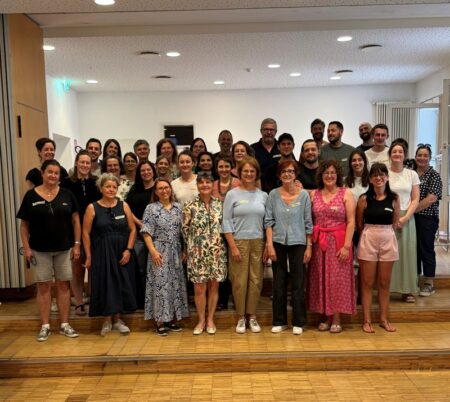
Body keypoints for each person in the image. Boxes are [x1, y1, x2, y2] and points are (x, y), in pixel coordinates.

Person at [17, 159, 81, 341]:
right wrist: (26, 248)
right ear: (42, 173)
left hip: (64, 249)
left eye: (56, 173)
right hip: (39, 250)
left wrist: (77, 244)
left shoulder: (67, 194)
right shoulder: (30, 196)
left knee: (63, 285)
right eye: (50, 172)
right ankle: (45, 326)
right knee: (43, 286)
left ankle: (64, 324)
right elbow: (24, 225)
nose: (53, 175)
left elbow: (76, 220)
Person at [82, 173, 137, 336]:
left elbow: (133, 229)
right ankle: (106, 321)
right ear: (101, 188)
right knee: (105, 284)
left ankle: (118, 320)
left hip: (121, 251)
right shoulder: (92, 207)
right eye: (108, 186)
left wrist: (128, 250)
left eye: (114, 186)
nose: (111, 189)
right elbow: (85, 233)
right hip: (102, 252)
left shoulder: (124, 205)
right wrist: (89, 256)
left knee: (120, 283)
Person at [307, 160, 356, 333]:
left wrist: (346, 246)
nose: (329, 176)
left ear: (338, 175)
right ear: (321, 175)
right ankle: (325, 316)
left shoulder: (346, 193)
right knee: (320, 279)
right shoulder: (313, 194)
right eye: (326, 173)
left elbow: (351, 222)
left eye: (332, 173)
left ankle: (336, 318)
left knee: (336, 281)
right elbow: (309, 220)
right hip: (318, 244)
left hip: (338, 243)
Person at [265, 160, 313, 335]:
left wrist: (309, 247)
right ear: (279, 175)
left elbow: (308, 223)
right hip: (277, 242)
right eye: (284, 171)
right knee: (279, 283)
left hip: (299, 242)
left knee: (298, 283)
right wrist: (269, 245)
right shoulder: (272, 195)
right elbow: (268, 221)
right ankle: (279, 320)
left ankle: (299, 321)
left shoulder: (304, 196)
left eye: (291, 171)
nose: (287, 174)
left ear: (296, 174)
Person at [222, 157, 268, 334]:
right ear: (240, 173)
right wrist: (232, 246)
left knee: (256, 280)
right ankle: (241, 317)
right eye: (245, 171)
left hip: (258, 241)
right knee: (239, 281)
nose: (249, 174)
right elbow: (226, 221)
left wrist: (267, 244)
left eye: (252, 171)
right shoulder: (232, 194)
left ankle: (252, 316)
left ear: (257, 173)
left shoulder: (263, 196)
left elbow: (267, 222)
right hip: (238, 242)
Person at [141, 179, 189, 336]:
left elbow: (183, 232)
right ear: (155, 192)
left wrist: (184, 250)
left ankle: (170, 319)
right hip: (159, 251)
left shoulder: (178, 208)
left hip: (176, 251)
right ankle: (160, 322)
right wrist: (153, 251)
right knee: (160, 285)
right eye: (160, 188)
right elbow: (146, 232)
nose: (164, 190)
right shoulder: (151, 208)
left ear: (170, 189)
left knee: (175, 285)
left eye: (166, 187)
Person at [356, 163, 400, 333]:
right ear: (370, 179)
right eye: (375, 175)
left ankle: (383, 319)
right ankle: (367, 320)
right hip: (369, 238)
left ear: (387, 177)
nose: (378, 177)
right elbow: (359, 224)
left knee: (384, 283)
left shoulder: (394, 198)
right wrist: (371, 234)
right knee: (367, 282)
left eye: (382, 174)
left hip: (388, 238)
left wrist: (384, 233)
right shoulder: (364, 199)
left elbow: (395, 223)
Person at [182, 173, 227, 334]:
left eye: (208, 182)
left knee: (214, 286)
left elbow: (225, 228)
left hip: (216, 252)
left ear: (212, 184)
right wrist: (188, 249)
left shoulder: (220, 205)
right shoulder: (189, 205)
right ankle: (201, 320)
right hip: (197, 253)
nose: (205, 185)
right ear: (197, 186)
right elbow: (185, 230)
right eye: (201, 183)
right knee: (199, 289)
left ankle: (210, 319)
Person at [61, 151, 101, 316]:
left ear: (91, 165)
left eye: (88, 163)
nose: (85, 165)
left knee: (93, 268)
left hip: (95, 232)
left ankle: (93, 300)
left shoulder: (96, 182)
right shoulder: (66, 183)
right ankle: (78, 302)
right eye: (82, 162)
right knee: (77, 269)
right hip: (73, 232)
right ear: (76, 162)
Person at [388, 142, 420, 302]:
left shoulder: (411, 174)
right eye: (394, 151)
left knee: (407, 254)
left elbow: (415, 199)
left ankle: (407, 291)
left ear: (405, 155)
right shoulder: (384, 173)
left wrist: (405, 217)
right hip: (388, 217)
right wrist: (393, 218)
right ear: (390, 154)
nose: (397, 154)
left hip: (406, 217)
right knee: (388, 256)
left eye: (400, 151)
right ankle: (386, 289)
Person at [126, 160, 157, 308]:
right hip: (139, 235)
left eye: (148, 170)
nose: (146, 172)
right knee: (141, 268)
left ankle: (157, 299)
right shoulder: (135, 189)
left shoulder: (159, 187)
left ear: (153, 171)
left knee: (157, 267)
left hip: (158, 235)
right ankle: (144, 300)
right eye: (143, 170)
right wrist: (139, 223)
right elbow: (127, 208)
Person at [414, 144, 442, 297]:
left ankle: (429, 283)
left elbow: (431, 199)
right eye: (419, 155)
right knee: (415, 249)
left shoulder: (434, 175)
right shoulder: (411, 173)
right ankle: (416, 279)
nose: (422, 158)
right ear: (415, 157)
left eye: (425, 155)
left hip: (428, 218)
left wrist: (411, 210)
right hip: (413, 218)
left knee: (426, 249)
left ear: (430, 158)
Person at [251, 118, 281, 193]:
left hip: (280, 191)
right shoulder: (252, 149)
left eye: (271, 130)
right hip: (257, 191)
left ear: (276, 132)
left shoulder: (282, 148)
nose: (269, 132)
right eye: (266, 129)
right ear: (261, 131)